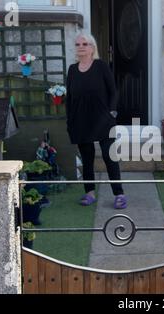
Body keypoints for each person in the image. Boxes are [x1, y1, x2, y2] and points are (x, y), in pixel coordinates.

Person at [65, 33, 127, 209]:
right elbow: (69, 99)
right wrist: (69, 121)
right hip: (80, 121)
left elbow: (113, 91)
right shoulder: (72, 70)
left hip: (103, 119)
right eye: (77, 44)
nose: (81, 47)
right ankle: (89, 193)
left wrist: (112, 112)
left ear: (92, 47)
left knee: (109, 156)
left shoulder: (101, 66)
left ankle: (119, 194)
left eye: (85, 43)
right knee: (87, 159)